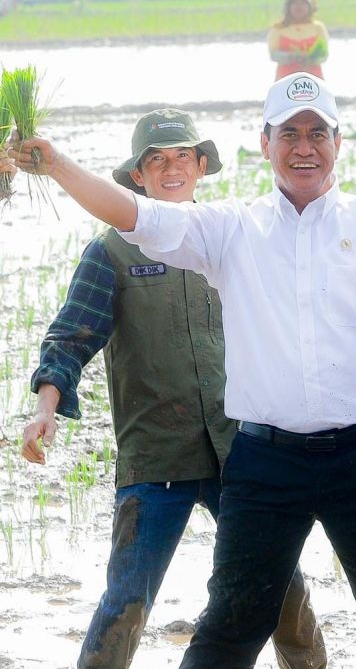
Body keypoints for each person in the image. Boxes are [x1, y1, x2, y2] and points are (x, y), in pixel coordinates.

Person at [10, 72, 356, 669]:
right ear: (265, 142)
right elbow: (136, 217)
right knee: (230, 627)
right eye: (289, 133)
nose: (304, 146)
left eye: (317, 132)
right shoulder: (230, 229)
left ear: (338, 142)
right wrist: (57, 163)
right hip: (264, 463)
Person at [17, 109, 326, 669]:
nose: (170, 168)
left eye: (182, 155)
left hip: (244, 447)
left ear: (202, 165)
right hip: (156, 454)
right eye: (155, 160)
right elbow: (70, 338)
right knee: (128, 597)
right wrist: (45, 411)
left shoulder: (237, 238)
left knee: (282, 584)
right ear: (138, 176)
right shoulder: (111, 253)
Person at [267, 0, 329, 81]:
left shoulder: (318, 27)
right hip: (285, 80)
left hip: (314, 80)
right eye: (294, 3)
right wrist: (292, 57)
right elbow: (273, 55)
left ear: (310, 7)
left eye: (303, 3)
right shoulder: (277, 29)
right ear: (287, 7)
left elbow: (324, 55)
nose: (299, 7)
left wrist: (311, 59)